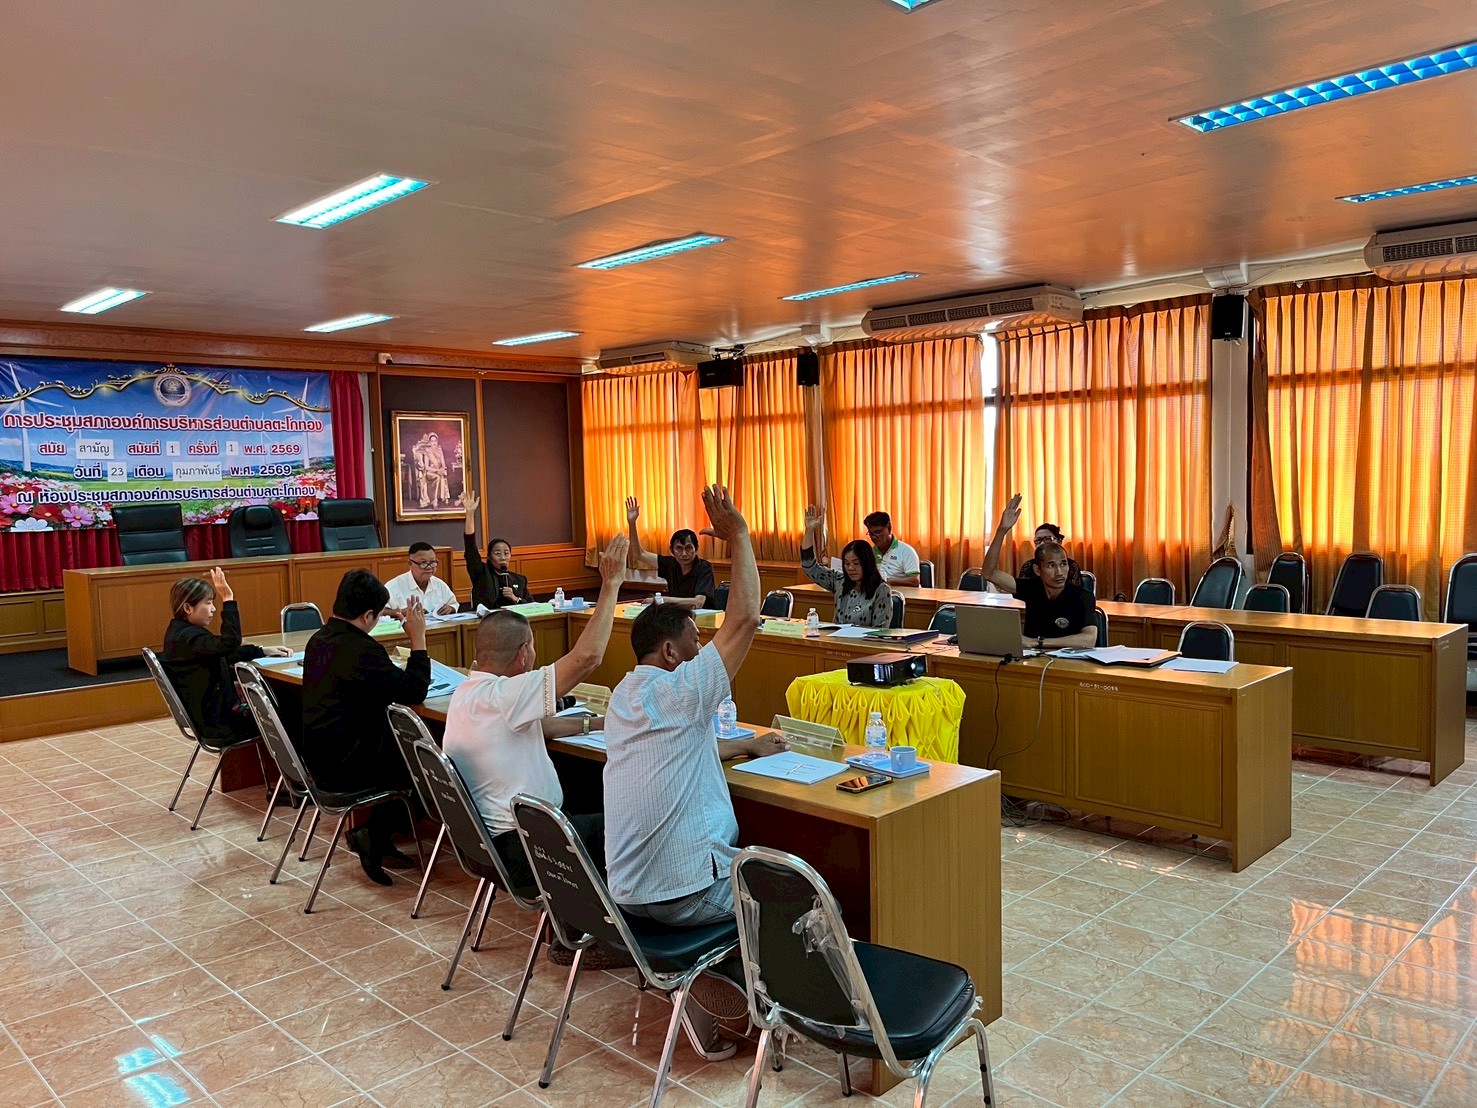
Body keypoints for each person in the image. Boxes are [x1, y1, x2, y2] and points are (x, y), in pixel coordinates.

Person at [603, 484, 787, 1058]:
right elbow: (746, 618)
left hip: (624, 892)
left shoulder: (624, 696)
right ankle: (770, 1014)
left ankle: (711, 983)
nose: (704, 646)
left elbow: (680, 748)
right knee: (794, 893)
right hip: (679, 893)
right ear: (671, 653)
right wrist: (740, 535)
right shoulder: (682, 692)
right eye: (695, 640)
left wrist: (745, 746)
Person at [443, 532, 628, 896]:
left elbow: (534, 728)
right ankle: (616, 924)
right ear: (524, 654)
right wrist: (611, 585)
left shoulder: (467, 691)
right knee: (634, 824)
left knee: (590, 789)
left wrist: (595, 723)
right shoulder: (506, 696)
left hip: (490, 846)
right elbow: (587, 658)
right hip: (530, 848)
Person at [301, 570, 432, 885]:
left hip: (318, 757)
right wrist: (418, 640)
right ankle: (372, 834)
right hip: (345, 766)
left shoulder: (318, 639)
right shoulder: (361, 649)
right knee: (427, 764)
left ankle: (377, 836)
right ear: (368, 615)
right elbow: (414, 692)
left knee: (409, 753)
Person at [161, 567, 289, 740]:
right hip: (219, 724)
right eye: (208, 603)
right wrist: (228, 598)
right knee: (289, 709)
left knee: (283, 703)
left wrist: (261, 651)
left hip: (210, 717)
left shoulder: (179, 632)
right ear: (188, 608)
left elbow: (222, 653)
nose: (213, 609)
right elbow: (229, 644)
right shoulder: (189, 637)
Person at [983, 494, 1096, 650]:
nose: (1059, 572)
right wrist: (1002, 531)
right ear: (1037, 570)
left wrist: (1038, 642)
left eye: (1063, 564)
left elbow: (1089, 639)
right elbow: (989, 573)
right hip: (1032, 659)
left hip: (1068, 660)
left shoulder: (1083, 596)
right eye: (1051, 566)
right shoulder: (1032, 588)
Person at [799, 506, 894, 627]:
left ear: (867, 563)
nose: (850, 568)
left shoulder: (881, 589)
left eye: (856, 563)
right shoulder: (840, 581)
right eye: (847, 563)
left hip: (864, 639)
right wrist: (809, 531)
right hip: (837, 637)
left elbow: (880, 630)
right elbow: (809, 567)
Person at [625, 495, 715, 608]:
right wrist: (632, 523)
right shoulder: (670, 563)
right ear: (671, 550)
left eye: (688, 548)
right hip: (676, 613)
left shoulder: (704, 567)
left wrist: (661, 600)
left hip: (703, 615)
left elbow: (698, 602)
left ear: (696, 548)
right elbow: (639, 554)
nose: (684, 553)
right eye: (679, 548)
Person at [461, 490, 531, 609]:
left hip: (513, 619)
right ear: (489, 556)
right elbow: (470, 548)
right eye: (497, 553)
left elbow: (532, 606)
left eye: (506, 553)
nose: (503, 557)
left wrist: (515, 598)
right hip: (489, 619)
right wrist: (470, 514)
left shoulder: (520, 580)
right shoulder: (481, 573)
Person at [385, 542, 459, 617]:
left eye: (433, 562)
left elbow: (454, 604)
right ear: (410, 564)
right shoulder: (393, 586)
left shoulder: (440, 584)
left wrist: (451, 608)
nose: (429, 567)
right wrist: (401, 612)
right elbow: (381, 612)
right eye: (423, 563)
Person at [1011, 520, 1085, 591]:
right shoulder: (1029, 565)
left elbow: (1077, 593)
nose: (1042, 543)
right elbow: (1022, 591)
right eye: (1038, 540)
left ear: (1059, 541)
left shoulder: (1071, 565)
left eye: (1048, 539)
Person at [864, 511, 921, 587]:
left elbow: (915, 581)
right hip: (880, 592)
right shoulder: (870, 553)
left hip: (903, 593)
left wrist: (886, 580)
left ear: (889, 529)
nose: (873, 537)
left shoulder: (906, 551)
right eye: (871, 534)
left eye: (877, 532)